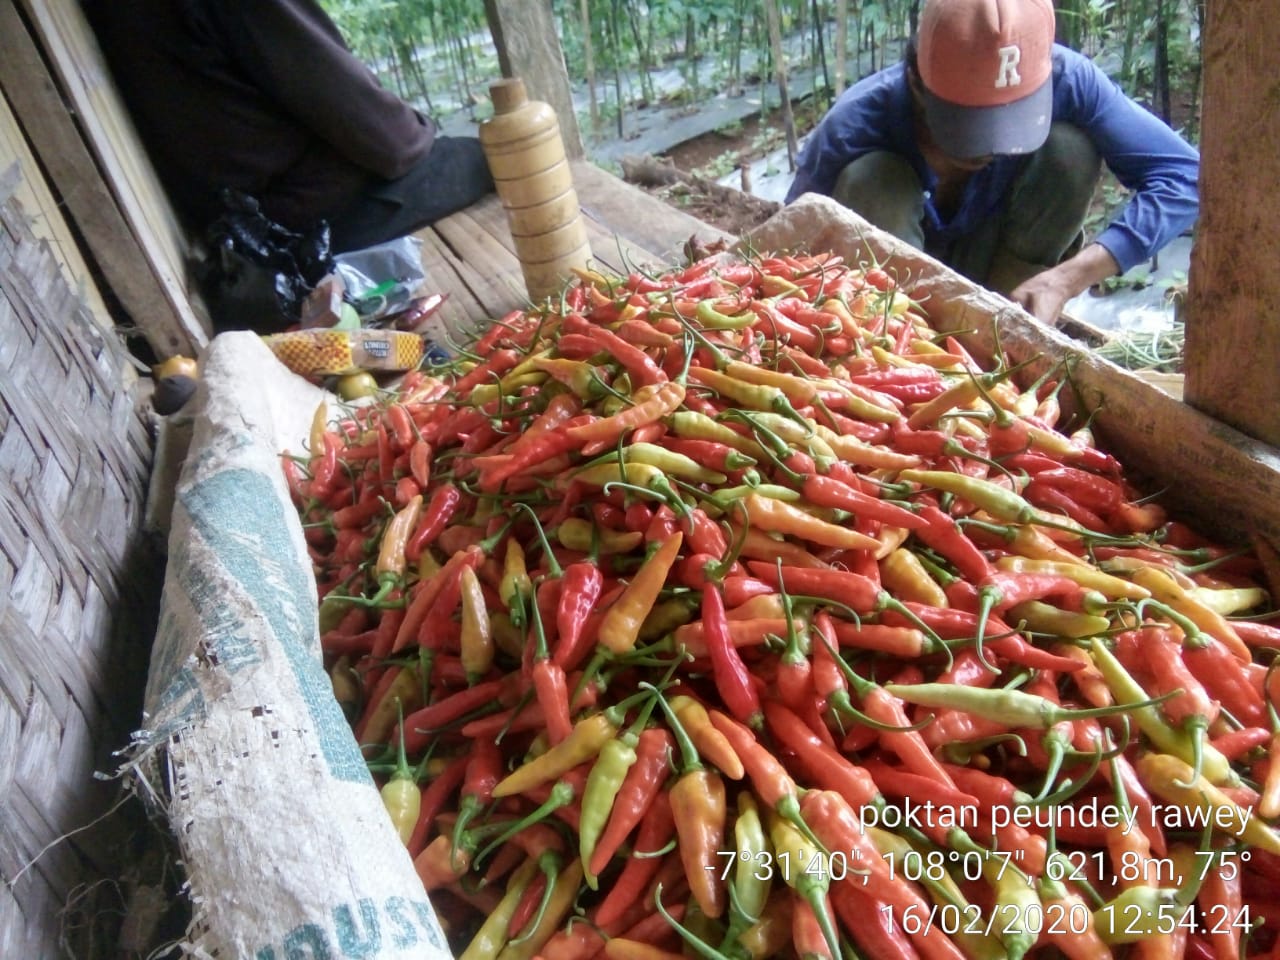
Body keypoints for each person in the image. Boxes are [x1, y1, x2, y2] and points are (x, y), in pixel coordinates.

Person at [786, 0, 1200, 326]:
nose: (991, 147)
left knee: (1069, 151)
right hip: (891, 302)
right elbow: (784, 257)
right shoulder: (853, 128)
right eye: (970, 123)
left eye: (1008, 121)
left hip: (1003, 279)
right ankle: (909, 338)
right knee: (874, 181)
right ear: (916, 83)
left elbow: (1186, 176)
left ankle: (1007, 327)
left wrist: (1069, 278)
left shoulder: (1068, 79)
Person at [87, 0, 495, 256]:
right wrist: (420, 130)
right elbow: (390, 143)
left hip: (237, 217)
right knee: (490, 156)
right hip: (295, 224)